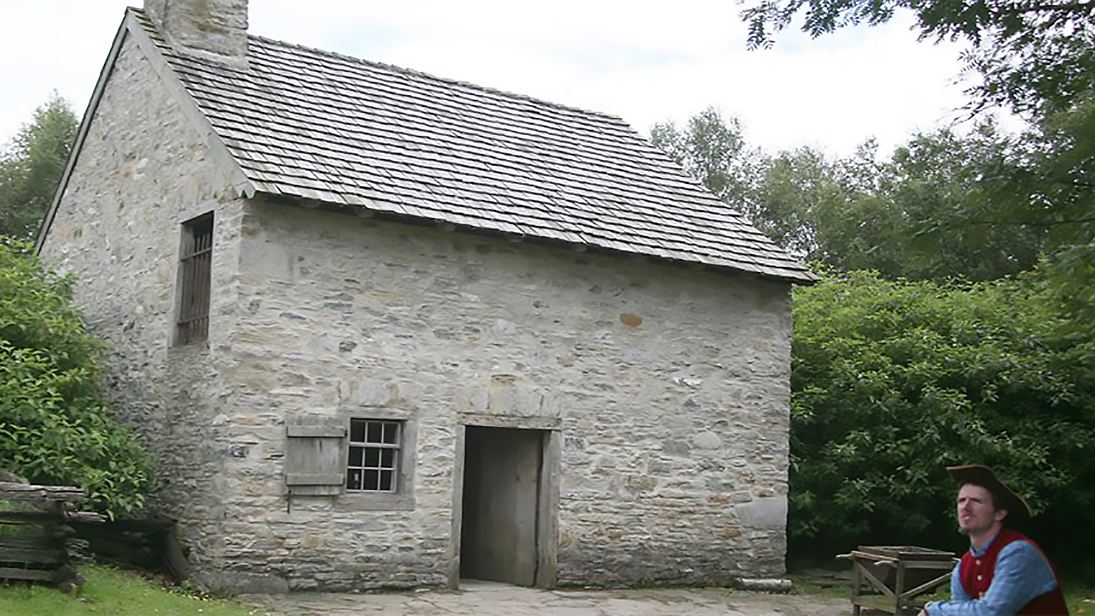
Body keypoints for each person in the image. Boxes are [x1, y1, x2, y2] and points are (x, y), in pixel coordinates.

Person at [919, 464, 1068, 616]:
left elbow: (992, 612)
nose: (966, 507)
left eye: (976, 501)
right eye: (961, 500)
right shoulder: (963, 566)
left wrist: (932, 609)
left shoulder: (1018, 552)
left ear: (999, 514)